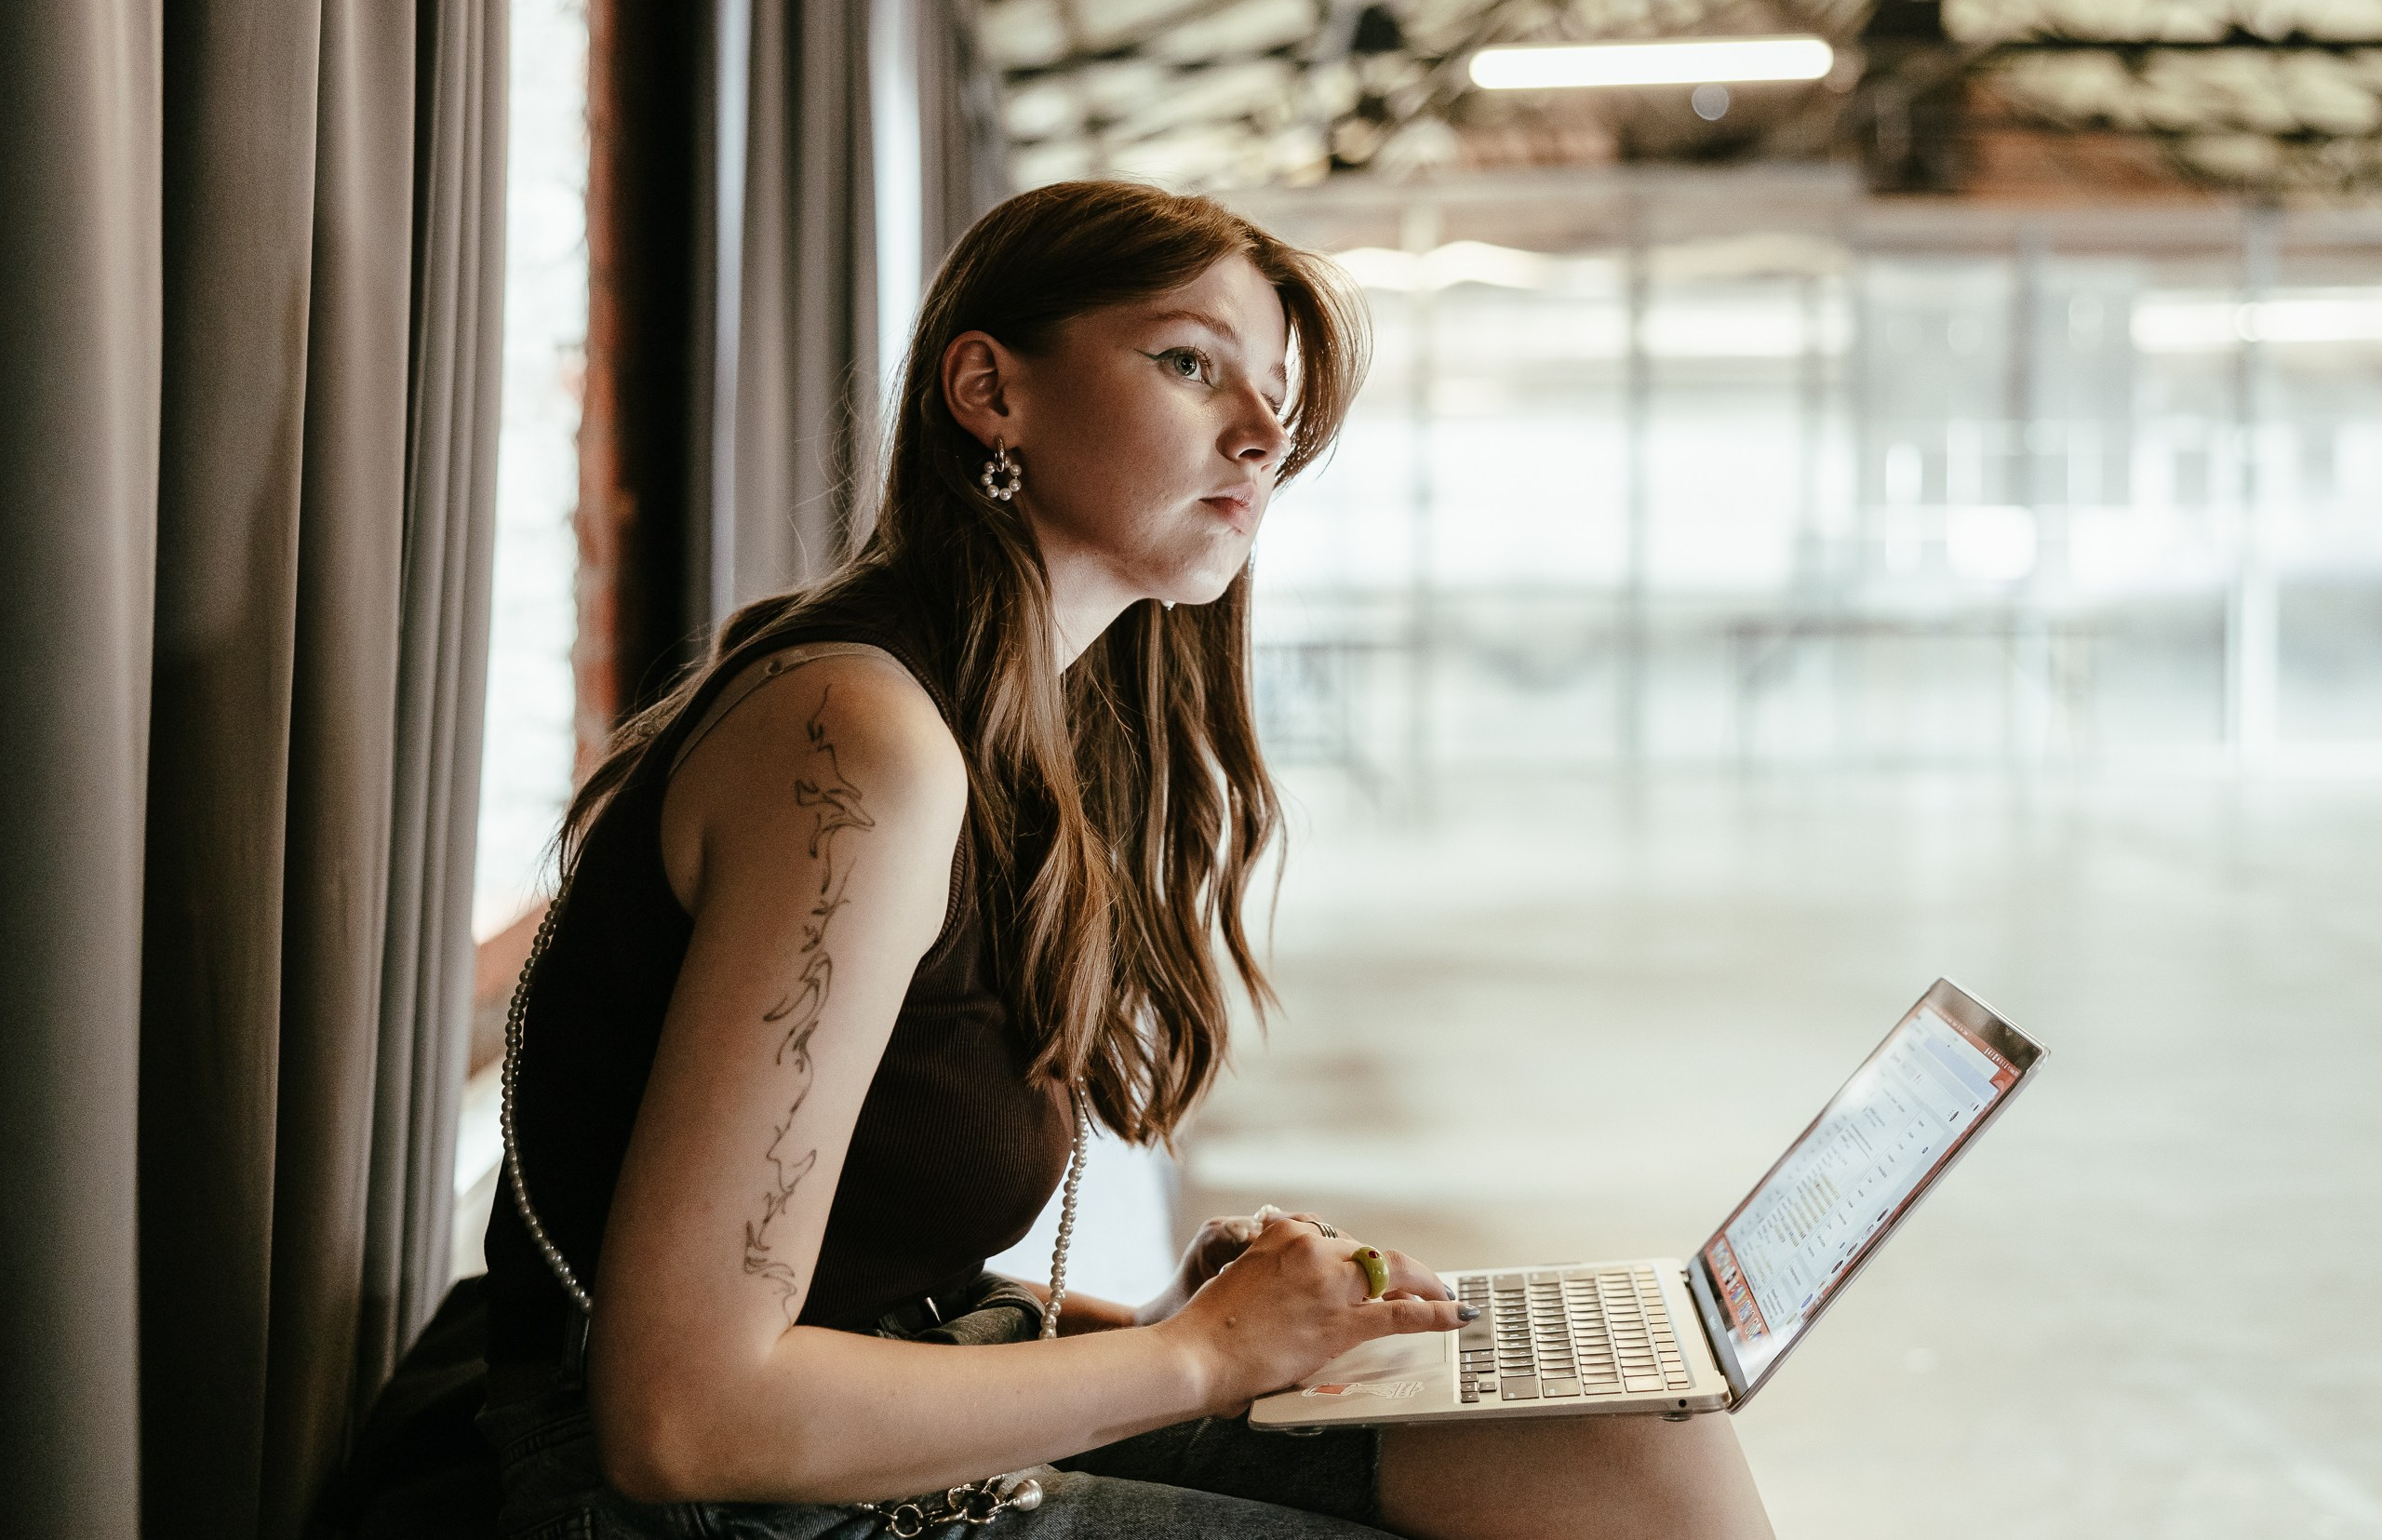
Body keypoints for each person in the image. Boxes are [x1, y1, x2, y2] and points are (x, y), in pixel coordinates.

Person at [480, 180, 1774, 1540]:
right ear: (991, 391)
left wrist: (1204, 1329)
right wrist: (1199, 1358)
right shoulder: (861, 744)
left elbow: (868, 1283)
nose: (1265, 433)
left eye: (1278, 396)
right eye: (1190, 364)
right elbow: (682, 1419)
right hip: (726, 1511)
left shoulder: (1008, 723)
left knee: (1635, 1450)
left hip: (891, 1390)